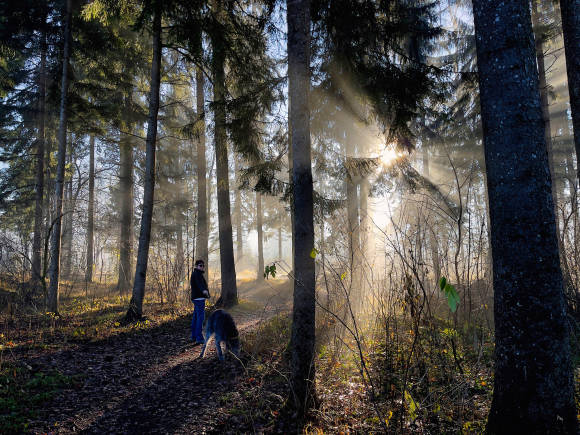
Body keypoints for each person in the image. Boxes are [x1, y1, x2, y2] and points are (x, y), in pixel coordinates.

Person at [190, 259, 210, 345]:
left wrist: (206, 293)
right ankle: (199, 338)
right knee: (200, 318)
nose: (202, 267)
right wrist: (204, 291)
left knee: (196, 317)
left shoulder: (197, 274)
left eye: (203, 266)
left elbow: (200, 284)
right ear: (196, 266)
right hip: (198, 299)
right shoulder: (197, 274)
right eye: (200, 265)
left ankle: (194, 336)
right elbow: (199, 284)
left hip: (197, 298)